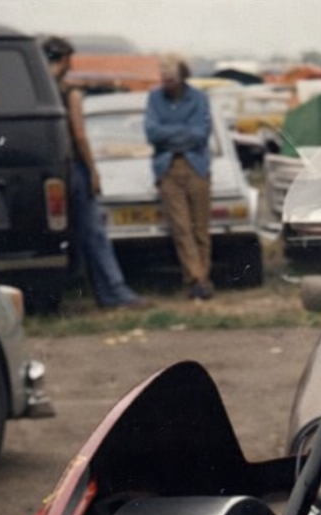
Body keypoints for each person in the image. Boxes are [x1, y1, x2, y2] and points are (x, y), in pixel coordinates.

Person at [41, 35, 145, 310]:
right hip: (75, 168)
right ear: (64, 60)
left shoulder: (42, 90)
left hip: (52, 170)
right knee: (94, 232)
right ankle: (114, 292)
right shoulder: (70, 94)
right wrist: (93, 170)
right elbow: (80, 135)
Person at [144, 54, 214, 300]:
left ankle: (201, 279)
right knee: (181, 228)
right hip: (167, 168)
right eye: (163, 79)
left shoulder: (199, 99)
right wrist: (181, 133)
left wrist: (169, 136)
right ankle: (195, 278)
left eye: (171, 79)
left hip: (196, 167)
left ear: (182, 77)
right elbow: (152, 133)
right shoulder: (154, 98)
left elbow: (200, 133)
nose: (167, 84)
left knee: (200, 228)